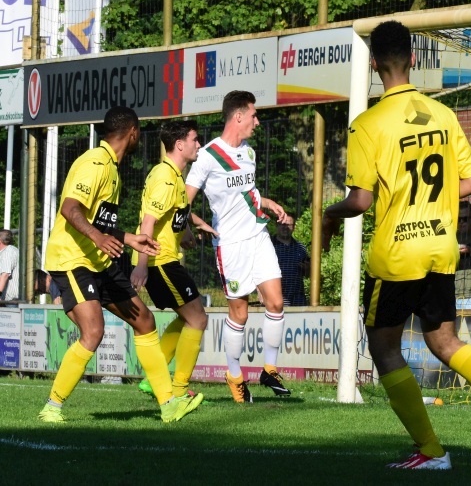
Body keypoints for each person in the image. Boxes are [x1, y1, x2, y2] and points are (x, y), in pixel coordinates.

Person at [321, 20, 471, 470]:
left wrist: (329, 216)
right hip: (441, 248)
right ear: (414, 59)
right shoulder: (444, 116)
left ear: (372, 65)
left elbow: (361, 200)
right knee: (445, 341)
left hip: (397, 254)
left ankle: (431, 450)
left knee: (384, 347)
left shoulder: (368, 124)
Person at [38, 106, 203, 423]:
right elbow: (71, 209)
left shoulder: (111, 168)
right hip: (72, 258)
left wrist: (127, 238)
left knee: (144, 321)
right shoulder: (95, 163)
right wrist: (97, 238)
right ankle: (52, 407)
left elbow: (97, 221)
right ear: (133, 133)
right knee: (93, 330)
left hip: (98, 259)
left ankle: (169, 404)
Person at [185, 90, 291, 402]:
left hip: (258, 236)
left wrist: (267, 202)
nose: (258, 122)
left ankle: (269, 369)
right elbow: (182, 201)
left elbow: (249, 191)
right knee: (240, 314)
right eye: (255, 115)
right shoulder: (207, 157)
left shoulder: (249, 153)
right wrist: (194, 225)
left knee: (275, 303)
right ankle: (234, 375)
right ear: (239, 116)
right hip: (230, 245)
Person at [131, 120, 217, 399]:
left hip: (165, 259)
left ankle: (152, 380)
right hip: (160, 261)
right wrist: (142, 266)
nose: (198, 144)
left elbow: (175, 213)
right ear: (180, 144)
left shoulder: (173, 176)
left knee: (189, 317)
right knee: (198, 320)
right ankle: (177, 389)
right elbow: (148, 221)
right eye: (195, 139)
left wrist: (190, 232)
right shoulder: (167, 178)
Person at [271, 213, 310, 306]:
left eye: (288, 225)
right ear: (277, 225)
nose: (285, 228)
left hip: (297, 298)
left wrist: (307, 268)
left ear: (293, 227)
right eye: (282, 224)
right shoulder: (269, 246)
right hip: (275, 297)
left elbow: (308, 273)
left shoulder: (301, 247)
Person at [0, 229, 19, 303]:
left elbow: (5, 274)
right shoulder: (7, 251)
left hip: (11, 300)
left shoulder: (8, 252)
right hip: (8, 299)